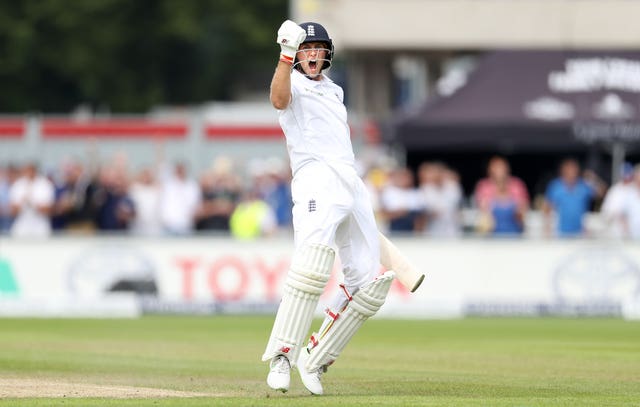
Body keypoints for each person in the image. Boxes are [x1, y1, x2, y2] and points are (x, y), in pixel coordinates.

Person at [262, 20, 395, 395]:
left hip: (350, 182)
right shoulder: (292, 83)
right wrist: (286, 56)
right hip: (315, 178)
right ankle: (282, 356)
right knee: (312, 265)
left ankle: (315, 358)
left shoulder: (335, 91)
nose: (313, 55)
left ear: (327, 53)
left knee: (368, 283)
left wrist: (353, 188)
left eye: (317, 48)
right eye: (306, 49)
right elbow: (277, 100)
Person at [543, 158, 606, 237]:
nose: (573, 172)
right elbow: (547, 207)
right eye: (570, 169)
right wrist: (547, 227)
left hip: (580, 232)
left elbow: (601, 192)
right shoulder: (556, 186)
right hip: (561, 232)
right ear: (563, 171)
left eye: (574, 169)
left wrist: (593, 178)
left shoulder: (583, 185)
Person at [474, 156, 529, 236]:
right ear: (490, 170)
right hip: (492, 234)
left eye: (501, 167)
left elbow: (523, 208)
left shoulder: (517, 185)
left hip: (514, 232)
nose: (499, 171)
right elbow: (483, 211)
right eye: (496, 167)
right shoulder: (484, 186)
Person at [8, 163, 55, 238]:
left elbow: (48, 210)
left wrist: (33, 202)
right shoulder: (18, 184)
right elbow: (13, 211)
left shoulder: (45, 184)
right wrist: (23, 202)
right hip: (22, 224)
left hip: (40, 225)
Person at [417, 162, 462, 237]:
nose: (435, 175)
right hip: (432, 231)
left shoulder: (453, 186)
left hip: (452, 230)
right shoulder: (425, 189)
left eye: (437, 172)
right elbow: (428, 211)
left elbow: (455, 207)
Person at [600, 162, 634, 238]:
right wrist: (617, 215)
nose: (627, 179)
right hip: (616, 234)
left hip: (634, 234)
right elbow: (605, 213)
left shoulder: (635, 190)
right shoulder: (614, 191)